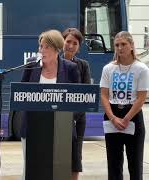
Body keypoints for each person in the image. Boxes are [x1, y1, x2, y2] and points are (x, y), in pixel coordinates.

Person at [20, 29, 80, 180]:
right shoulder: (31, 66)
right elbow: (21, 95)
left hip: (61, 130)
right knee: (33, 172)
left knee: (58, 173)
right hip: (33, 128)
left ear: (56, 48)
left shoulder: (70, 68)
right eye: (41, 46)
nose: (42, 50)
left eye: (46, 47)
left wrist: (68, 119)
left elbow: (79, 99)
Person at [100, 31, 149, 180]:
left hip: (132, 115)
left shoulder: (141, 69)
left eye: (123, 44)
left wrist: (126, 118)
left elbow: (141, 98)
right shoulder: (108, 68)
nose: (120, 48)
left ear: (132, 45)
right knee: (114, 164)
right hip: (112, 114)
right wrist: (113, 118)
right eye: (117, 45)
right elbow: (104, 95)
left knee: (135, 164)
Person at [62, 27, 91, 180]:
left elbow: (86, 95)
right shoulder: (53, 62)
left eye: (75, 43)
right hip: (55, 117)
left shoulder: (83, 65)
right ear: (62, 42)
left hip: (77, 119)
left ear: (79, 47)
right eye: (68, 41)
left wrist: (72, 118)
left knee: (75, 155)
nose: (71, 46)